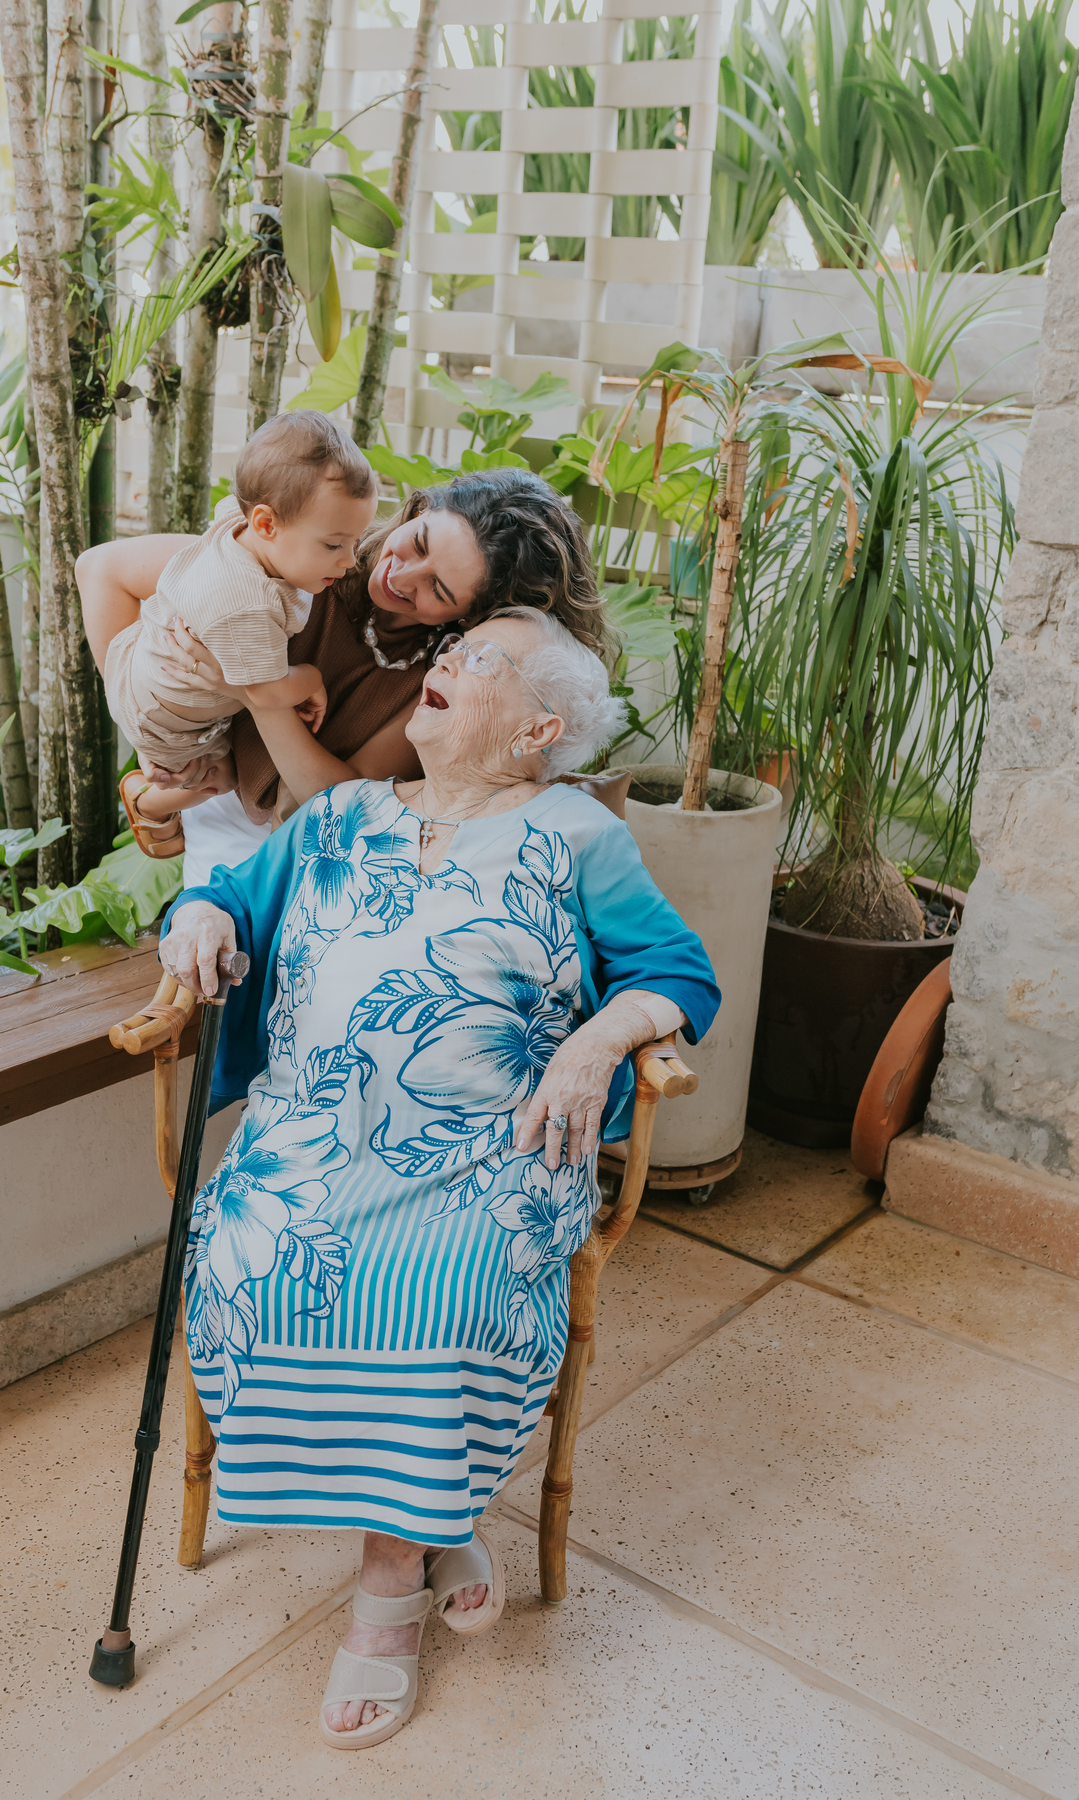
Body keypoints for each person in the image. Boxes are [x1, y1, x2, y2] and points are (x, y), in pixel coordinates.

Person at [160, 608, 720, 1750]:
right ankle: (437, 1508)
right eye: (448, 656)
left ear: (540, 728)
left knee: (434, 1295)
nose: (446, 667)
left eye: (483, 665)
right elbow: (227, 900)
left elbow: (676, 972)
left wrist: (596, 1041)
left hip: (491, 1150)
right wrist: (202, 914)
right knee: (245, 1264)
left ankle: (384, 1595)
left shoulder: (575, 833)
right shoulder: (339, 816)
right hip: (314, 1135)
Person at [77, 467, 611, 883]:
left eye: (439, 590)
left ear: (470, 617)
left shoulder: (440, 674)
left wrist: (251, 687)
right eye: (418, 541)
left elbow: (336, 799)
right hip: (217, 830)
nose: (401, 575)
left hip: (308, 852)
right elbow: (101, 569)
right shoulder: (300, 551)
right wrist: (146, 721)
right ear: (419, 508)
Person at [88, 412, 377, 849]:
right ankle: (150, 801)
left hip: (144, 657)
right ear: (265, 523)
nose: (350, 560)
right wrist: (312, 681)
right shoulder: (248, 605)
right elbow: (265, 693)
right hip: (166, 718)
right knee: (224, 774)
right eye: (334, 544)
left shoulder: (236, 526)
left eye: (357, 541)